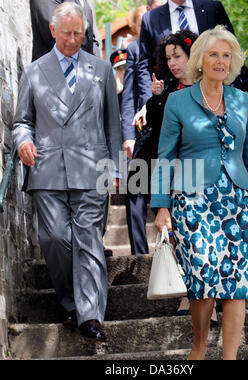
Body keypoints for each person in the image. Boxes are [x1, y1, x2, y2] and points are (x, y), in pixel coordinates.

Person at [150, 25, 248, 360]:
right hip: (192, 202)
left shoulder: (243, 102)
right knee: (204, 282)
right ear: (201, 61)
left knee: (237, 287)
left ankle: (230, 357)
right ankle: (200, 347)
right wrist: (161, 207)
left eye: (226, 55)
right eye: (213, 54)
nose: (221, 61)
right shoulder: (177, 101)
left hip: (238, 201)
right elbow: (165, 158)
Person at [13, 2, 121, 341]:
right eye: (68, 33)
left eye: (80, 33)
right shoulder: (33, 71)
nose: (74, 40)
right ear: (53, 31)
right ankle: (71, 302)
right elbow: (21, 121)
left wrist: (115, 169)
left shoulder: (101, 70)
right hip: (47, 168)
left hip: (91, 167)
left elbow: (112, 126)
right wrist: (23, 142)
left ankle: (90, 315)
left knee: (88, 237)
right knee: (55, 238)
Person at [137, 0, 248, 112]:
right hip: (173, 103)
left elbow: (231, 48)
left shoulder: (212, 8)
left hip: (218, 94)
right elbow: (145, 65)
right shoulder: (151, 19)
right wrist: (147, 103)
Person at [121, 0, 167, 256]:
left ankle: (172, 251)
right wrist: (128, 135)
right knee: (135, 192)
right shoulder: (135, 50)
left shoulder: (176, 46)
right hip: (142, 133)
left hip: (170, 130)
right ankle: (140, 256)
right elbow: (128, 95)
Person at [30, 0, 101, 61]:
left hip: (83, 69)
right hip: (52, 71)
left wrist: (97, 65)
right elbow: (53, 34)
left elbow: (90, 37)